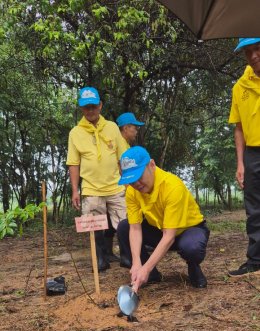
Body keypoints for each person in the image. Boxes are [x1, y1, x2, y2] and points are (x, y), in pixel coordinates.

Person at [117, 146, 210, 292]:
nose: (136, 184)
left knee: (192, 247)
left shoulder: (172, 186)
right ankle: (151, 276)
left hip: (187, 230)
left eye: (139, 177)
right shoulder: (132, 192)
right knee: (124, 227)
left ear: (152, 165)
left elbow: (169, 236)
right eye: (131, 180)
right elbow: (135, 228)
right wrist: (136, 263)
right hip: (160, 230)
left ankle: (193, 266)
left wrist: (145, 268)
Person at [66, 86, 128, 272]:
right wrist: (75, 190)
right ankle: (100, 259)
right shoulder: (75, 133)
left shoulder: (112, 128)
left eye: (93, 106)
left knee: (125, 222)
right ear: (81, 109)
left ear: (100, 105)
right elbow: (73, 163)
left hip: (116, 186)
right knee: (94, 227)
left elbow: (121, 158)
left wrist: (128, 183)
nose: (90, 110)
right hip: (92, 189)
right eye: (86, 107)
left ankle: (127, 256)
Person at [228, 38, 260, 276]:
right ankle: (256, 259)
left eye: (258, 49)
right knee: (254, 207)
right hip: (252, 153)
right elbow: (238, 127)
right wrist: (240, 162)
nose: (253, 56)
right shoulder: (240, 87)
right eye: (248, 52)